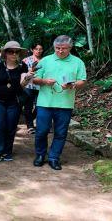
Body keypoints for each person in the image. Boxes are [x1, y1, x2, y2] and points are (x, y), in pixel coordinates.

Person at [32, 35, 87, 170]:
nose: (60, 51)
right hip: (45, 103)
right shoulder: (45, 60)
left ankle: (54, 158)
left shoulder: (77, 62)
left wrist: (73, 84)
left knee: (61, 133)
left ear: (70, 48)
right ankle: (40, 155)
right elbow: (34, 79)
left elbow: (83, 81)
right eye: (57, 48)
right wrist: (45, 81)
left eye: (63, 49)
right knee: (41, 131)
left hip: (65, 104)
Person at [0, 41, 33, 164]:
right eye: (11, 51)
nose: (14, 54)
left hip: (14, 101)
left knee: (11, 126)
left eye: (16, 52)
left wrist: (28, 77)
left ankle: (7, 151)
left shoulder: (22, 67)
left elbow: (22, 85)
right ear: (5, 53)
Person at [22, 43, 44, 134]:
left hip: (41, 86)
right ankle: (30, 126)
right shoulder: (26, 60)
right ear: (32, 50)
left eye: (40, 49)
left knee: (40, 106)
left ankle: (31, 119)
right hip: (29, 86)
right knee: (28, 106)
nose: (38, 51)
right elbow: (22, 73)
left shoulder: (45, 60)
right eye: (36, 49)